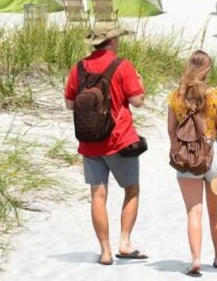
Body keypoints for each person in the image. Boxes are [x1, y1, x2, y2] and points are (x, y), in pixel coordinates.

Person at [64, 24, 148, 266]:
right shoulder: (122, 65)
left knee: (98, 196)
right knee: (132, 190)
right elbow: (137, 101)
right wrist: (141, 85)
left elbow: (70, 104)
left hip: (89, 142)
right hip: (119, 140)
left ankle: (105, 251)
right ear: (111, 42)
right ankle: (125, 241)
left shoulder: (79, 67)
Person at [167, 50, 217, 277]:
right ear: (208, 69)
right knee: (216, 212)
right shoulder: (216, 95)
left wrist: (177, 151)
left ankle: (195, 259)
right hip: (214, 156)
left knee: (194, 212)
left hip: (187, 159)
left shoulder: (176, 96)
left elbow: (171, 130)